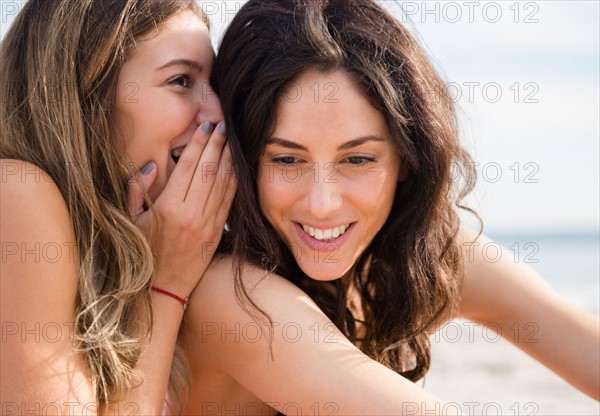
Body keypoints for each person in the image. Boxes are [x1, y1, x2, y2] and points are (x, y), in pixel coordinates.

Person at [182, 0, 600, 413]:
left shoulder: (426, 258)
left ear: (407, 157)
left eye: (358, 159)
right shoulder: (229, 295)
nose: (323, 204)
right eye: (287, 160)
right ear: (241, 159)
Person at [0, 0, 235, 414]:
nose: (216, 113)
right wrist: (165, 288)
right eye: (181, 80)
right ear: (86, 92)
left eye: (214, 84)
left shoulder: (135, 248)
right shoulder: (16, 191)